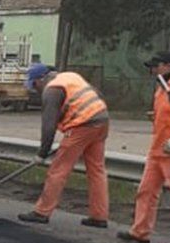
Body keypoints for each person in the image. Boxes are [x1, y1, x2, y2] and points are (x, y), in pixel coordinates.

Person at [117, 52, 170, 243]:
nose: (152, 70)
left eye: (156, 66)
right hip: (159, 149)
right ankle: (140, 231)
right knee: (146, 191)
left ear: (168, 66)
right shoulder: (162, 88)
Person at [18, 64, 111, 227]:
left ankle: (42, 212)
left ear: (40, 80)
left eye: (33, 85)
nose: (34, 89)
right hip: (102, 120)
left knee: (58, 170)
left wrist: (42, 153)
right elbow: (98, 95)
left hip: (82, 125)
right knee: (97, 170)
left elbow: (48, 125)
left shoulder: (51, 90)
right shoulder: (71, 77)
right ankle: (99, 216)